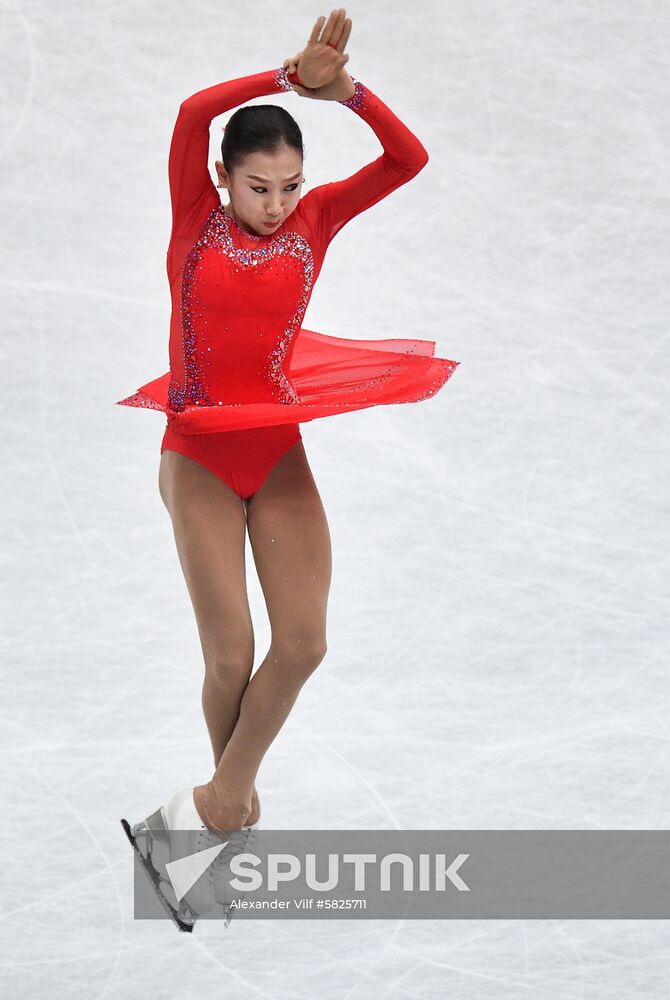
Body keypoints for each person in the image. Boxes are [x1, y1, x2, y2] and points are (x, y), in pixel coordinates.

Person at [119, 8, 459, 927]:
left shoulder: (317, 219)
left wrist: (348, 94)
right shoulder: (194, 216)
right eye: (259, 185)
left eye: (290, 186)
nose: (275, 203)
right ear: (224, 177)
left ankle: (212, 813)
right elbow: (195, 109)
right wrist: (280, 77)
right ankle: (215, 828)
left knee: (304, 643)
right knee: (230, 653)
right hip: (196, 456)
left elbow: (407, 161)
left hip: (277, 454)